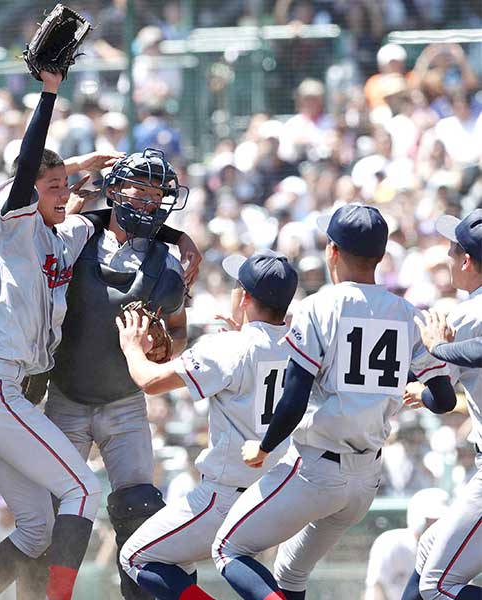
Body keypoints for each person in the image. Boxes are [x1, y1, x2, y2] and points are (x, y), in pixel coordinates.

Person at [212, 204, 456, 600]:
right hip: (366, 481)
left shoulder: (318, 306)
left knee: (228, 549)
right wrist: (422, 393)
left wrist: (264, 446)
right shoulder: (408, 313)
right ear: (379, 256)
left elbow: (292, 400)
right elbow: (444, 400)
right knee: (289, 575)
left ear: (332, 250)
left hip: (318, 469)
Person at [0, 68, 104, 600]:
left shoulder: (61, 235)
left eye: (66, 186)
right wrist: (48, 93)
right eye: (53, 187)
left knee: (37, 529)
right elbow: (28, 167)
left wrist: (80, 173)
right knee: (83, 491)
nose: (63, 194)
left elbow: (96, 208)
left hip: (5, 396)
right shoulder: (12, 223)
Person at [50, 148, 200, 600]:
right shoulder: (77, 237)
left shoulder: (168, 263)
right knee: (55, 515)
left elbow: (177, 331)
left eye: (158, 195)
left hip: (123, 401)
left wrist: (164, 348)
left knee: (141, 509)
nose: (149, 203)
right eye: (140, 190)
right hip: (66, 397)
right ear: (115, 190)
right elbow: (48, 215)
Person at [114, 250, 299, 600]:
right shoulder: (301, 342)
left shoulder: (228, 346)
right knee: (184, 561)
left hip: (228, 496)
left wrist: (132, 348)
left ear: (244, 297)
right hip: (281, 496)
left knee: (137, 556)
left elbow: (150, 381)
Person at [401, 210, 482, 600]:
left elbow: (440, 397)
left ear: (467, 261)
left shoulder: (465, 315)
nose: (447, 256)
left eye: (452, 249)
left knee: (438, 587)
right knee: (430, 547)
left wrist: (435, 352)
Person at [364, 488, 449, 600]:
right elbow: (377, 589)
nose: (437, 527)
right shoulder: (390, 543)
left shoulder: (450, 550)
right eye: (432, 520)